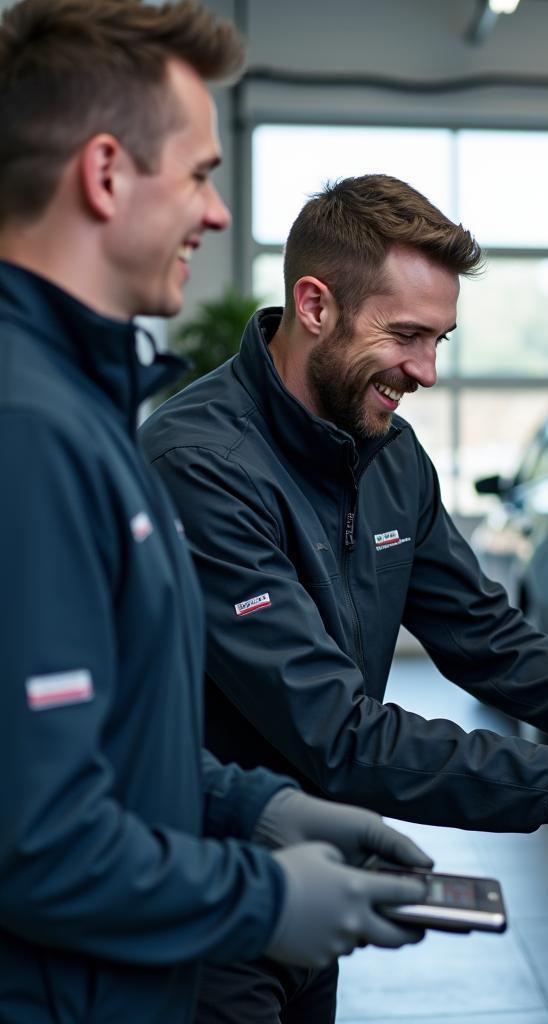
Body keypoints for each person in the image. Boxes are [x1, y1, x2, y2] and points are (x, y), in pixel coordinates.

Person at [140, 173, 548, 1023]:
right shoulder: (201, 465)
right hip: (211, 898)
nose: (427, 371)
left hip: (319, 881)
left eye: (440, 338)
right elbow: (335, 732)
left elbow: (487, 636)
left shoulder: (389, 454)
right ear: (314, 305)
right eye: (406, 336)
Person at [0, 7, 435, 1023]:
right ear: (105, 175)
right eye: (198, 174)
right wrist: (267, 894)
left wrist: (257, 805)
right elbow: (40, 839)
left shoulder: (83, 408)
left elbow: (98, 743)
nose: (218, 214)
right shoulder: (29, 430)